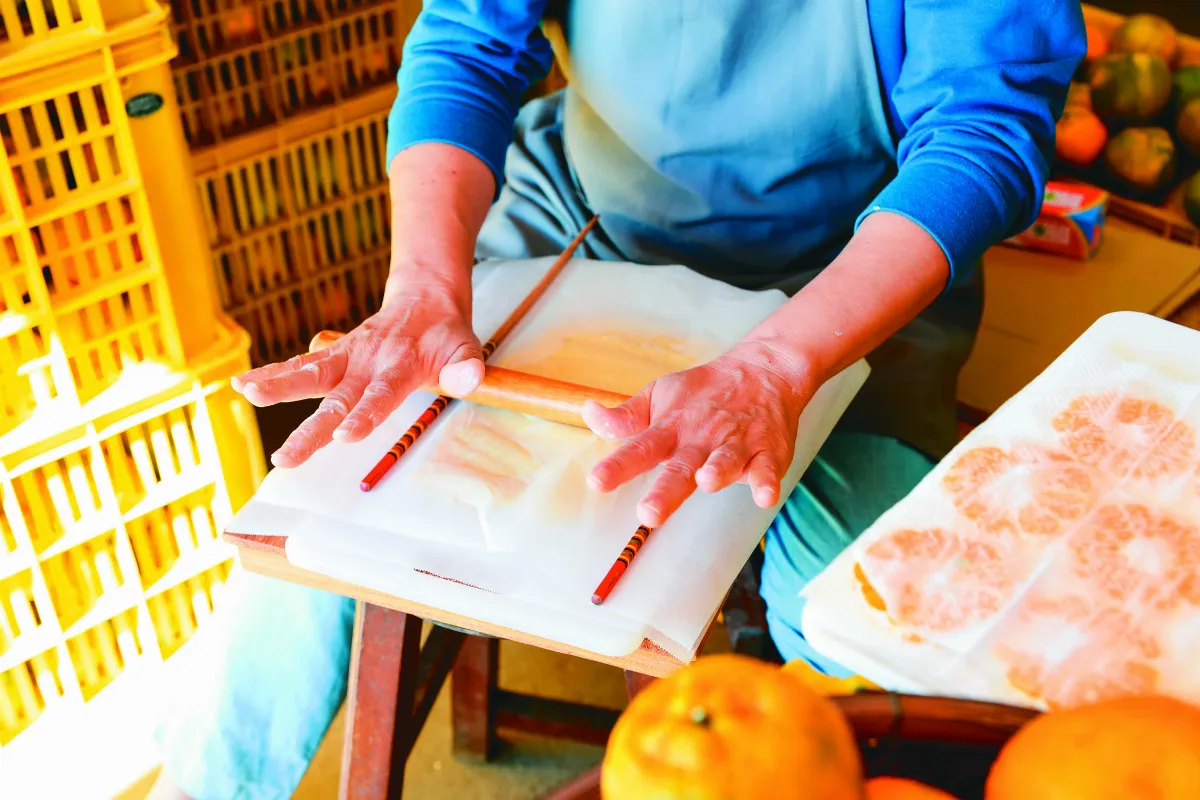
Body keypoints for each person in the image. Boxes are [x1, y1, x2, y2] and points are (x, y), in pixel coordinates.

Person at [149, 1, 1086, 797]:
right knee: (334, 514)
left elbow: (983, 130)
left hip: (847, 285)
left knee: (884, 638)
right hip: (582, 230)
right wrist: (427, 288)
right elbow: (470, 45)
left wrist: (777, 367)